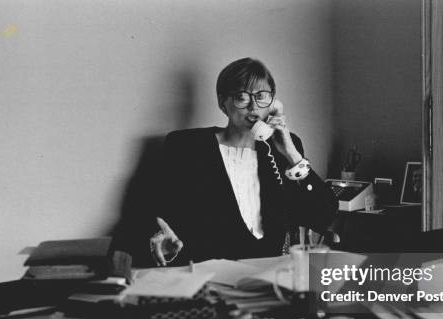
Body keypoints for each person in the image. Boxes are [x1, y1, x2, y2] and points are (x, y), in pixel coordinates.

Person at [114, 58, 338, 266]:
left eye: (261, 96)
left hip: (269, 275)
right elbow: (150, 211)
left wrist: (291, 154)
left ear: (272, 103)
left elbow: (323, 217)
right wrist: (158, 235)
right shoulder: (187, 146)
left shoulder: (284, 148)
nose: (253, 107)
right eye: (242, 97)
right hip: (211, 276)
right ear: (223, 103)